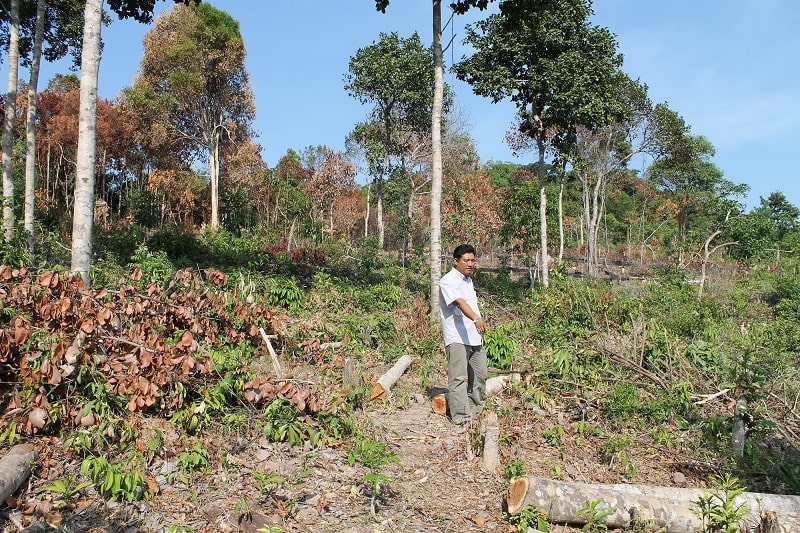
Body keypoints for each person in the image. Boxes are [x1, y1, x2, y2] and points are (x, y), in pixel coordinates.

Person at [438, 244, 487, 425]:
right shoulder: (448, 280)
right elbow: (458, 302)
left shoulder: (468, 280)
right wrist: (476, 319)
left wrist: (476, 322)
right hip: (457, 336)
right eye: (466, 260)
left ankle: (474, 411)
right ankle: (461, 418)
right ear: (456, 261)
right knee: (458, 378)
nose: (470, 264)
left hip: (473, 336)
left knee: (480, 374)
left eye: (473, 260)